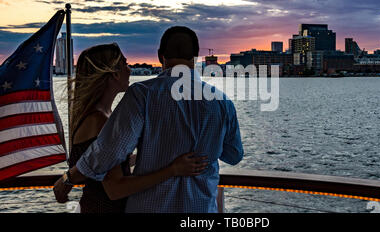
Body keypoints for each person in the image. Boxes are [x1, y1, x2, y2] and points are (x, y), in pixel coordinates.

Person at [54, 26, 244, 213]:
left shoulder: (142, 95)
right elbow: (234, 156)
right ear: (195, 58)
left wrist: (69, 178)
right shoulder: (222, 102)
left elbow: (108, 152)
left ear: (161, 56)